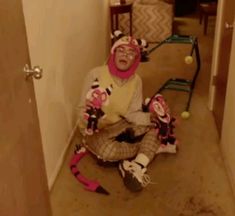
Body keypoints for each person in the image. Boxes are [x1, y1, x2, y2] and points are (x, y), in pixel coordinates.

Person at [77, 33, 173, 192]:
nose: (125, 55)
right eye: (121, 50)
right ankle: (147, 151)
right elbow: (80, 110)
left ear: (135, 59)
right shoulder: (95, 74)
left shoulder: (136, 81)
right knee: (107, 152)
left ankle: (135, 164)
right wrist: (89, 119)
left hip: (121, 123)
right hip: (97, 129)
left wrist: (154, 117)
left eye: (130, 53)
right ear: (113, 53)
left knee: (158, 126)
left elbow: (132, 114)